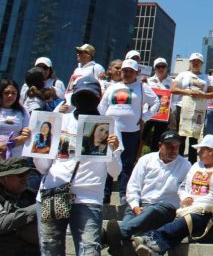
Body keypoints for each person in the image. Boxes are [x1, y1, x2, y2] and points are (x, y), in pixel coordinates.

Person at [35, 75, 122, 256]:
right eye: (81, 96)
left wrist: (113, 151)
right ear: (74, 97)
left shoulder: (110, 126)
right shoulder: (60, 121)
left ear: (98, 99)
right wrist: (37, 147)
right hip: (55, 191)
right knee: (50, 249)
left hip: (88, 198)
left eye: (90, 97)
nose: (85, 101)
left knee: (89, 251)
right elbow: (43, 167)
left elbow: (115, 172)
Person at [132, 135, 213, 256]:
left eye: (201, 150)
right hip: (191, 209)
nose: (198, 152)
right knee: (187, 220)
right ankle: (157, 250)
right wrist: (185, 197)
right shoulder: (197, 166)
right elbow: (183, 186)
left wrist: (194, 204)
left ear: (211, 151)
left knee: (189, 219)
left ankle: (151, 236)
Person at [102, 131, 191, 256]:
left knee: (147, 214)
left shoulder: (185, 165)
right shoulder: (146, 160)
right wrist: (135, 207)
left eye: (176, 146)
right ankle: (119, 244)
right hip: (140, 206)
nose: (173, 149)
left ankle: (106, 238)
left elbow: (186, 190)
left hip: (165, 209)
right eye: (169, 146)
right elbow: (133, 186)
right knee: (124, 236)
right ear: (160, 145)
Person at [98, 59, 159, 205]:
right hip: (112, 130)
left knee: (127, 163)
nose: (127, 74)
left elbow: (156, 102)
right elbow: (102, 106)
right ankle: (105, 194)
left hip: (131, 130)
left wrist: (144, 117)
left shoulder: (142, 87)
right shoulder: (112, 87)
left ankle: (123, 193)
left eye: (130, 71)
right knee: (107, 160)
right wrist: (104, 121)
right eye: (124, 70)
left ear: (136, 73)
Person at [171, 53, 212, 164]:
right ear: (190, 62)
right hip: (183, 107)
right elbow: (173, 89)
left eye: (198, 61)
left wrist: (202, 95)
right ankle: (178, 162)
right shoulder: (183, 74)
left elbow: (212, 94)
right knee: (181, 135)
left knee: (194, 137)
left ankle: (192, 163)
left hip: (199, 109)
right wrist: (188, 92)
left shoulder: (207, 78)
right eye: (193, 61)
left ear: (201, 63)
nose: (195, 63)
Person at [0, 157, 38, 255]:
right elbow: (2, 223)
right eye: (20, 175)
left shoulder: (32, 195)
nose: (25, 179)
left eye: (27, 174)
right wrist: (36, 208)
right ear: (4, 178)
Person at [143, 58, 174, 152]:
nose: (161, 68)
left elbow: (176, 99)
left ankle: (154, 157)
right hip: (148, 113)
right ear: (154, 68)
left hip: (163, 115)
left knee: (158, 138)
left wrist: (171, 108)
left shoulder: (173, 82)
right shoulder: (148, 81)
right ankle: (137, 158)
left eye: (163, 66)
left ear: (167, 68)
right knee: (142, 136)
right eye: (158, 66)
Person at [0, 79, 31, 159]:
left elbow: (26, 135)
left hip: (13, 161)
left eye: (14, 93)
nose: (10, 96)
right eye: (6, 93)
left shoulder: (23, 112)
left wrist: (9, 144)